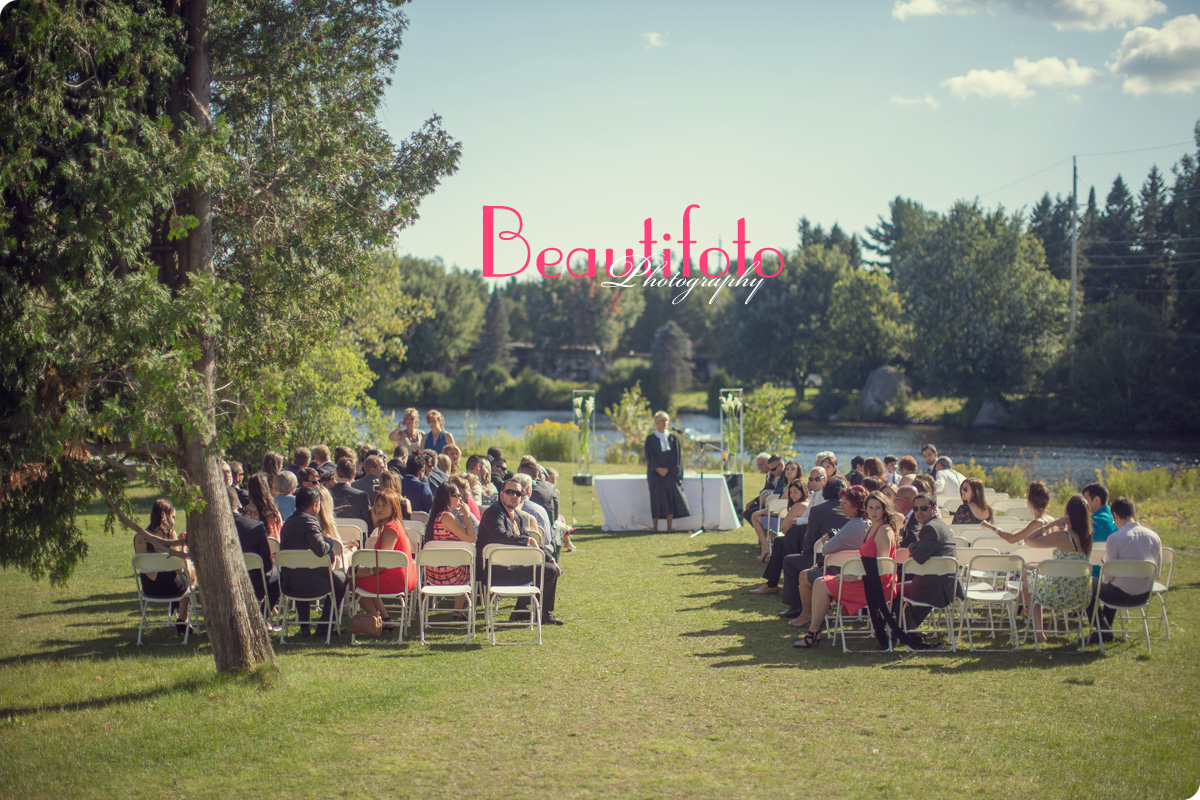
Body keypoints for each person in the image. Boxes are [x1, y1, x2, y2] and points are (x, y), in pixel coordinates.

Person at [796, 489, 900, 648]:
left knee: (822, 584)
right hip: (867, 579)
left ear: (884, 509)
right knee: (819, 582)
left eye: (877, 508)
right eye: (870, 508)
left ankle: (813, 633)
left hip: (878, 585)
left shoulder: (884, 531)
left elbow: (882, 567)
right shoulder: (872, 527)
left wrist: (854, 577)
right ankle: (815, 631)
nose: (873, 511)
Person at [477, 478, 563, 625]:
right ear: (501, 494)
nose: (514, 496)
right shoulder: (494, 513)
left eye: (518, 493)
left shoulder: (515, 515)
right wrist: (526, 541)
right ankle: (530, 612)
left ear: (523, 497)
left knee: (549, 569)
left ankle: (524, 611)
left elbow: (531, 539)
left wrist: (551, 559)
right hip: (495, 573)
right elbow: (500, 534)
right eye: (509, 492)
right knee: (545, 571)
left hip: (513, 568)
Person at [785, 484, 870, 629]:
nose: (841, 506)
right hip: (860, 574)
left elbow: (826, 549)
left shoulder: (852, 525)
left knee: (804, 576)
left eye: (845, 503)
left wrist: (828, 540)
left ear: (856, 507)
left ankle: (806, 615)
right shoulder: (867, 524)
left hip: (843, 574)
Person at [1086, 496, 1161, 644]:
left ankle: (1102, 629)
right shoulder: (1154, 537)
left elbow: (1109, 577)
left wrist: (1105, 568)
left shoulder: (1115, 538)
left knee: (1087, 586)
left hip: (1119, 595)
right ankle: (1104, 629)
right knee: (1112, 584)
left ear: (1115, 515)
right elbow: (1156, 572)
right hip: (1144, 595)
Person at [1023, 494, 1093, 643]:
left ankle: (1039, 633)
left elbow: (1029, 540)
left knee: (1028, 583)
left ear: (1068, 514)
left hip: (1062, 593)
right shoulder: (1088, 538)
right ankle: (1030, 618)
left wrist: (1051, 525)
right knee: (1034, 573)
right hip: (1081, 593)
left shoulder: (1064, 536)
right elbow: (1069, 562)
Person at [278, 486, 347, 636]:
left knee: (300, 570)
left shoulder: (288, 523)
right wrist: (328, 541)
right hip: (315, 583)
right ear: (315, 505)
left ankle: (305, 627)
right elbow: (320, 549)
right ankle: (325, 626)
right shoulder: (309, 522)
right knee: (341, 582)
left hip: (291, 583)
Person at [749, 468, 829, 596]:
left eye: (817, 479)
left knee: (786, 539)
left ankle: (777, 584)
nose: (813, 482)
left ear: (825, 480)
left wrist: (796, 521)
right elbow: (807, 517)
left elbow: (812, 519)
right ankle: (773, 583)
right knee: (781, 541)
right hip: (807, 530)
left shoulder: (825, 496)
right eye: (811, 479)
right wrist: (797, 521)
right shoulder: (815, 496)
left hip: (815, 535)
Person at [350, 489, 415, 628]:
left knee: (354, 579)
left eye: (384, 506)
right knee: (361, 576)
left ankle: (378, 622)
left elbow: (384, 561)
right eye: (377, 505)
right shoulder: (393, 525)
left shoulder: (391, 529)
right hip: (399, 574)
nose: (378, 509)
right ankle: (385, 620)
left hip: (397, 578)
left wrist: (368, 571)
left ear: (394, 508)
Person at [133, 499, 196, 637]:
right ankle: (183, 618)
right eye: (172, 517)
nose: (173, 522)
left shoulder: (139, 537)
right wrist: (182, 546)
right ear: (163, 516)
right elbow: (180, 569)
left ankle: (178, 608)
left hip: (150, 588)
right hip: (173, 588)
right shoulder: (170, 535)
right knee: (191, 574)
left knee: (186, 573)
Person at [899, 492, 960, 630]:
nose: (919, 512)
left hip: (936, 589)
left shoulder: (930, 528)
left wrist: (911, 546)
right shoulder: (940, 525)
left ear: (933, 508)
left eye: (924, 508)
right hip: (944, 584)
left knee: (893, 591)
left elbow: (920, 557)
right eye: (916, 509)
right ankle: (907, 629)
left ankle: (904, 630)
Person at [420, 482, 476, 618]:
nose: (460, 498)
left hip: (431, 573)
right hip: (451, 573)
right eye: (456, 495)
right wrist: (467, 515)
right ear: (447, 497)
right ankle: (457, 610)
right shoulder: (447, 517)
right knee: (468, 563)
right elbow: (470, 538)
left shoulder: (434, 516)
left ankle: (457, 611)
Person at [644, 411, 691, 533]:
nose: (664, 423)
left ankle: (669, 527)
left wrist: (668, 469)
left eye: (666, 421)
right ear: (656, 423)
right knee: (656, 499)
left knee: (669, 499)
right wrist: (657, 468)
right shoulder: (650, 439)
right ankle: (655, 527)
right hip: (656, 474)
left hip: (670, 473)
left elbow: (676, 456)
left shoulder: (672, 438)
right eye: (662, 421)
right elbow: (649, 456)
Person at [749, 460, 800, 562]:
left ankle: (766, 549)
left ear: (797, 471)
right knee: (769, 532)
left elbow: (778, 507)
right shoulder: (792, 484)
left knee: (755, 517)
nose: (789, 471)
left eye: (792, 469)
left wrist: (761, 512)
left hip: (784, 521)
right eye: (787, 469)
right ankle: (768, 547)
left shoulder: (792, 487)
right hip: (785, 518)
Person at [982, 480, 1054, 544]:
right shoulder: (1053, 521)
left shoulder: (1037, 523)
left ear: (1030, 503)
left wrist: (991, 527)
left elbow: (1012, 539)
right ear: (1047, 503)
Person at [1082, 482, 1118, 576]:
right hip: (1113, 574)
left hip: (1091, 573)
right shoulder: (1118, 520)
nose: (1083, 505)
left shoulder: (1092, 522)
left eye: (1085, 501)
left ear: (1097, 500)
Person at [329, 457, 372, 531]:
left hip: (332, 538)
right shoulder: (361, 496)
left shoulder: (326, 494)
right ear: (354, 475)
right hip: (356, 539)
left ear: (336, 472)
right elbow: (368, 523)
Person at [243, 472, 283, 541]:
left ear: (249, 489)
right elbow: (281, 536)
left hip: (251, 551)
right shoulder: (274, 513)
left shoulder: (243, 514)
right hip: (273, 550)